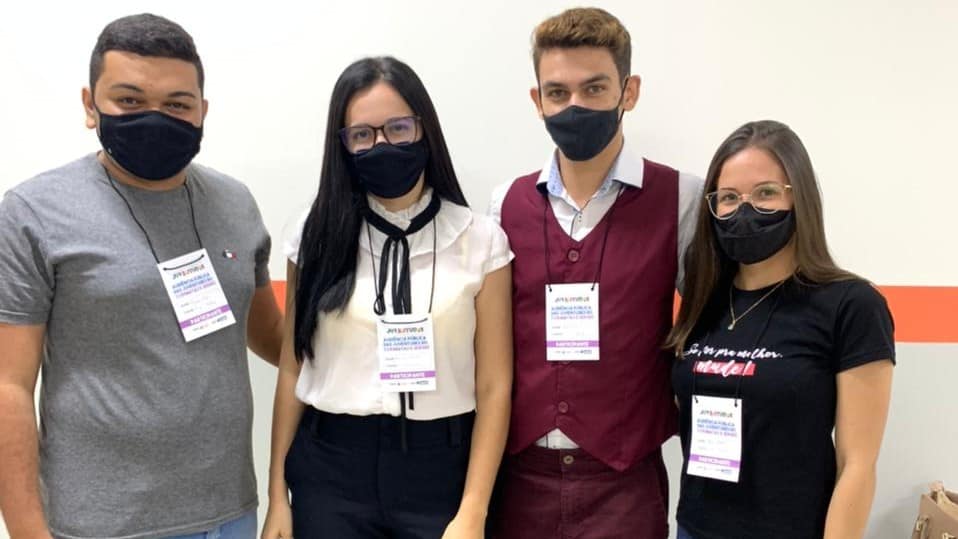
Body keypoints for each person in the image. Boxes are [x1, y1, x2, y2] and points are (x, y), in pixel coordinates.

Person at [0, 13, 283, 539]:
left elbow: (272, 336)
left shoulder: (235, 203)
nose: (155, 118)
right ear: (90, 105)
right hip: (101, 524)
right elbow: (9, 386)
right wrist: (26, 531)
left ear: (202, 111)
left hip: (230, 514)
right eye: (129, 100)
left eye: (177, 104)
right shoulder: (33, 212)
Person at [261, 56, 513, 539]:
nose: (382, 145)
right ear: (343, 144)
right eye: (363, 135)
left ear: (424, 129)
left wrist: (474, 510)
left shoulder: (480, 240)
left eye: (398, 128)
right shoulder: (314, 234)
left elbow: (494, 386)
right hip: (331, 472)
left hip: (441, 472)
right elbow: (293, 367)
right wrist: (277, 497)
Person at [488, 7, 703, 539]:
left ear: (629, 91)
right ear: (537, 101)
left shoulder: (682, 197)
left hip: (625, 484)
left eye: (594, 88)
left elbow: (711, 330)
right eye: (558, 92)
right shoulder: (503, 204)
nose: (575, 105)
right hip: (521, 481)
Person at [667, 120, 895, 539]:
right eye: (729, 197)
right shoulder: (703, 300)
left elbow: (857, 465)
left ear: (799, 197)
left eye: (766, 193)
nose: (745, 209)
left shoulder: (851, 305)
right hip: (695, 528)